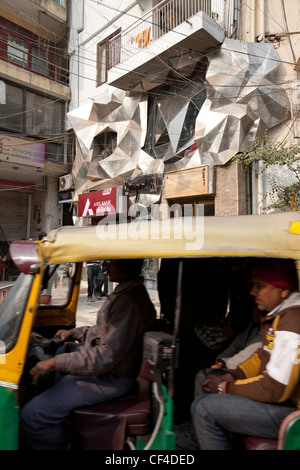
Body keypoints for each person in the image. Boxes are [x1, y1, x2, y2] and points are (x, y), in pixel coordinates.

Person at [21, 258, 156, 450]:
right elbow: (103, 332)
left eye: (112, 263)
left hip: (111, 378)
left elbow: (105, 356)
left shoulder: (129, 302)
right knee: (64, 349)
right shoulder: (125, 292)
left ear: (124, 268)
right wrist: (75, 333)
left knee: (33, 414)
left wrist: (54, 363)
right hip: (107, 371)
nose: (106, 266)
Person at [191, 258, 300, 450]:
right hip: (284, 401)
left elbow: (275, 388)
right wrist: (235, 374)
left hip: (293, 412)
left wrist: (225, 388)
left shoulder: (292, 322)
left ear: (283, 291)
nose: (252, 292)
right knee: (206, 378)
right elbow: (262, 356)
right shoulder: (279, 315)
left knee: (204, 409)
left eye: (260, 286)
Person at [194, 309, 262, 398]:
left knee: (203, 376)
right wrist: (221, 361)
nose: (254, 311)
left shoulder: (266, 331)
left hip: (246, 370)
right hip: (236, 366)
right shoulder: (251, 327)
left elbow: (248, 354)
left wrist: (226, 364)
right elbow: (235, 346)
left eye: (258, 309)